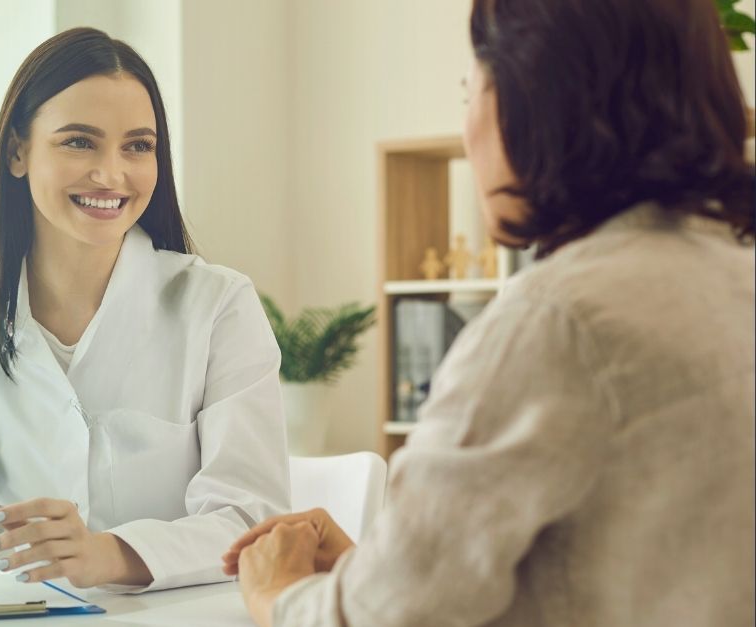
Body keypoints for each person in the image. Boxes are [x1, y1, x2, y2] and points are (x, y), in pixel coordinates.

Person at [224, 0, 756, 625]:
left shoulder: (554, 322)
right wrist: (374, 570)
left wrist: (278, 591)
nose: (468, 124)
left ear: (533, 102)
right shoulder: (733, 275)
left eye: (468, 90)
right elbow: (621, 564)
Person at [0, 27, 289, 595]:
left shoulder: (218, 304)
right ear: (18, 152)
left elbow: (252, 518)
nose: (112, 174)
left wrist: (109, 554)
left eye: (138, 146)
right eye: (79, 142)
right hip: (40, 610)